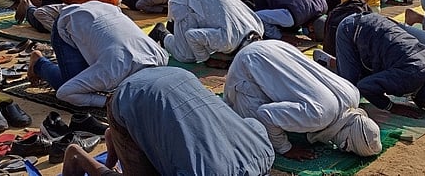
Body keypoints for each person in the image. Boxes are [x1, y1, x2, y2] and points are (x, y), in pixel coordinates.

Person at [61, 66, 275, 176]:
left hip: (175, 78)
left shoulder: (264, 153)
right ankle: (77, 156)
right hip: (132, 98)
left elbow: (253, 125)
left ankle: (118, 136)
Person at [224, 39, 382, 159]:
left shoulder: (353, 95)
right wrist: (286, 148)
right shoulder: (318, 117)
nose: (340, 146)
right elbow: (265, 114)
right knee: (254, 135)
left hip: (273, 47)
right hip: (249, 64)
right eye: (345, 145)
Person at [313, 12, 425, 118]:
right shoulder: (409, 79)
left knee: (363, 76)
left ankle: (334, 62)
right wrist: (391, 107)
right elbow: (365, 86)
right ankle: (317, 71)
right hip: (351, 31)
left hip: (371, 24)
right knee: (350, 93)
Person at [28, 1, 169, 107]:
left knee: (87, 78)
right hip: (68, 22)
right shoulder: (112, 72)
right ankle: (39, 64)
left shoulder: (161, 57)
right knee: (70, 84)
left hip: (103, 10)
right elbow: (65, 93)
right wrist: (108, 102)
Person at [149, 0, 263, 64]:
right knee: (186, 56)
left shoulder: (258, 28)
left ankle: (178, 30)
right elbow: (192, 35)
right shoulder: (227, 41)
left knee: (207, 44)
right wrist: (206, 59)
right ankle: (161, 32)